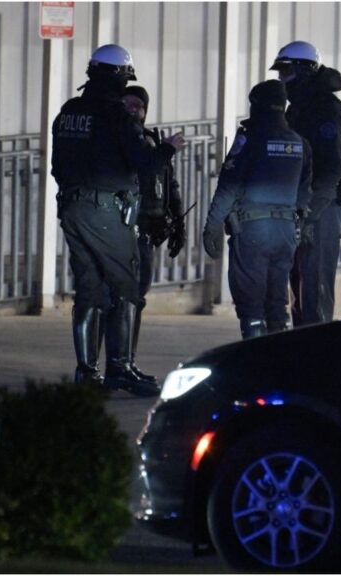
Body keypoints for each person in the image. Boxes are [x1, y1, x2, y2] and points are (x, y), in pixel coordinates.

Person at [51, 44, 186, 396]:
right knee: (126, 286)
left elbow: (56, 166)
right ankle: (120, 369)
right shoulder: (115, 114)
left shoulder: (69, 111)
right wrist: (169, 148)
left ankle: (87, 372)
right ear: (118, 76)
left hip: (72, 207)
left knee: (89, 290)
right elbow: (145, 163)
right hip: (107, 211)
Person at [202, 79, 312, 339]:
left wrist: (212, 226)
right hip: (286, 233)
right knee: (277, 303)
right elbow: (304, 192)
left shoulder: (249, 139)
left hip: (253, 230)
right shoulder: (299, 143)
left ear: (256, 105)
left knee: (251, 304)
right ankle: (277, 363)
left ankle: (255, 362)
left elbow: (228, 186)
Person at [269, 41, 341, 327]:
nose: (281, 78)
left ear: (305, 71)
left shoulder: (326, 109)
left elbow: (331, 171)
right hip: (300, 208)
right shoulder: (298, 109)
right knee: (297, 288)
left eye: (286, 71)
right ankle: (301, 354)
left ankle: (317, 358)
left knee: (314, 288)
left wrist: (308, 214)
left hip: (320, 209)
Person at [113, 85, 186, 383]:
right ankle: (114, 366)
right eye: (128, 104)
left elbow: (169, 183)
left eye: (138, 106)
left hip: (149, 234)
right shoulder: (121, 142)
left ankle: (127, 363)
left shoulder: (152, 142)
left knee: (138, 298)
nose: (133, 110)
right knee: (120, 299)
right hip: (123, 231)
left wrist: (178, 221)